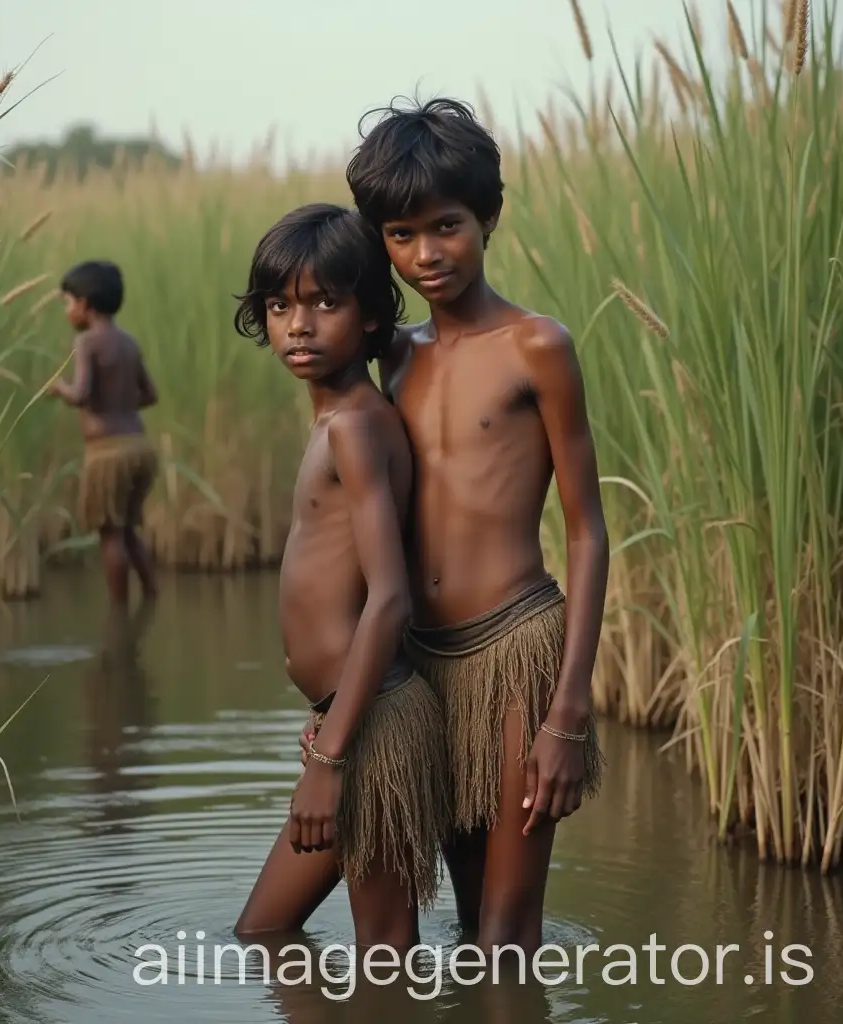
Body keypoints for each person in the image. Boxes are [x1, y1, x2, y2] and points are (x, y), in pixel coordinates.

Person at [303, 96, 608, 961]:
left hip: (514, 653)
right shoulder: (389, 356)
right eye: (400, 235)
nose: (426, 254)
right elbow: (352, 536)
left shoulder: (536, 347)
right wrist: (338, 706)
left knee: (506, 931)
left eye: (447, 226)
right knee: (459, 912)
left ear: (490, 217)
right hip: (414, 671)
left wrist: (569, 711)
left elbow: (588, 532)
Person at [232, 203, 450, 950]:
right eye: (280, 304)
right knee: (264, 929)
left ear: (369, 318)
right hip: (350, 719)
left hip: (372, 729)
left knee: (384, 955)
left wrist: (329, 759)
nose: (299, 323)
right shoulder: (337, 419)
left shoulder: (356, 425)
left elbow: (387, 598)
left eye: (326, 303)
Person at [49, 259, 160, 606]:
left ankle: (118, 612)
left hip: (107, 453)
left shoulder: (86, 342)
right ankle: (152, 596)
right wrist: (121, 405)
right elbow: (150, 395)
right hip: (140, 447)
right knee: (127, 529)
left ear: (84, 303)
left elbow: (81, 394)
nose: (67, 310)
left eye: (67, 302)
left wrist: (58, 388)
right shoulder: (129, 343)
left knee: (110, 533)